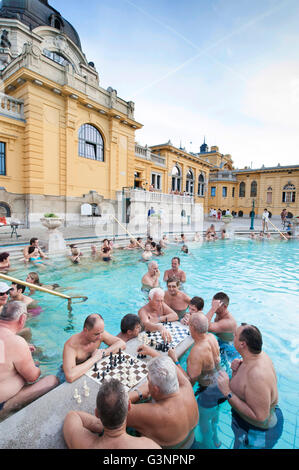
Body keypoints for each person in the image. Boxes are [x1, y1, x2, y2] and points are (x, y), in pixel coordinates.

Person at [217, 324, 284, 449]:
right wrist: (238, 369)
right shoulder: (256, 356)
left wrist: (227, 392)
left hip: (257, 433)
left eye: (235, 335)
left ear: (243, 344)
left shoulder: (257, 376)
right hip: (246, 426)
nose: (233, 336)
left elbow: (261, 417)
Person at [171, 313, 224, 448]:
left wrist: (175, 360)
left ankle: (208, 444)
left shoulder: (197, 352)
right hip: (221, 385)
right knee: (215, 416)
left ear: (192, 328)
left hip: (208, 393)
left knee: (204, 424)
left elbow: (188, 382)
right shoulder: (212, 337)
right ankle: (216, 438)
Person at [126, 353, 199, 449]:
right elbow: (171, 365)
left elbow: (112, 409)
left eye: (149, 381)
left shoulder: (152, 413)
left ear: (156, 389)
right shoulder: (187, 387)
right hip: (192, 443)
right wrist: (151, 352)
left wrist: (139, 393)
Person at [63, 379, 161, 449]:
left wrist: (99, 424)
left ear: (97, 413)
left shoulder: (85, 444)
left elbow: (73, 416)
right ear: (129, 407)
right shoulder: (149, 446)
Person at [0, 301, 58, 418]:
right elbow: (33, 377)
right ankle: (6, 411)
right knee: (52, 380)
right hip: (2, 402)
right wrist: (35, 365)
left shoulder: (10, 341)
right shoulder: (16, 342)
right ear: (22, 319)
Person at [62, 314, 125, 383]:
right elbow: (70, 376)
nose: (100, 337)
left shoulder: (99, 333)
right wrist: (95, 358)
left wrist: (103, 353)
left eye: (102, 332)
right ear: (86, 330)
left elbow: (121, 344)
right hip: (71, 370)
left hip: (88, 366)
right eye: (96, 334)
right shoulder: (71, 345)